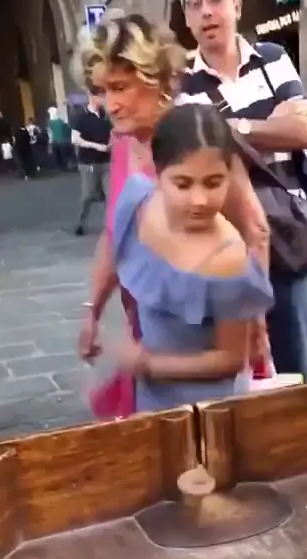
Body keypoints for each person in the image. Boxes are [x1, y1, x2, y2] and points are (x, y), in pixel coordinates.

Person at [73, 12, 271, 369]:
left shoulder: (197, 134)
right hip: (149, 325)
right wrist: (93, 309)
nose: (110, 104)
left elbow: (254, 229)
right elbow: (114, 232)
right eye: (103, 91)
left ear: (156, 79)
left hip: (208, 332)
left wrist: (254, 319)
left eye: (120, 87)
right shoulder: (124, 142)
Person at [180, 0, 307, 378]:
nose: (206, 12)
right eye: (194, 4)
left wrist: (233, 129)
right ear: (186, 17)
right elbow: (198, 156)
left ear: (237, 7)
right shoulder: (181, 83)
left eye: (215, 1)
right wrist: (272, 125)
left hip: (282, 232)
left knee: (294, 360)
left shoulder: (272, 58)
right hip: (223, 241)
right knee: (236, 366)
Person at [108, 103, 274, 411]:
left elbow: (232, 358)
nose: (199, 200)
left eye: (213, 183)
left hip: (210, 409)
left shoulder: (229, 260)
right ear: (159, 172)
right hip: (152, 399)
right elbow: (111, 247)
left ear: (230, 175)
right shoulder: (138, 201)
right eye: (182, 183)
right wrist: (92, 312)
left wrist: (148, 364)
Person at [72, 85, 111, 235]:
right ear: (92, 97)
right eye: (101, 96)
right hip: (88, 162)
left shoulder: (106, 116)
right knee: (88, 195)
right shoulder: (80, 117)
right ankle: (80, 222)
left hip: (107, 161)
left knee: (110, 193)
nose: (104, 99)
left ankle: (110, 225)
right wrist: (97, 146)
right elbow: (75, 139)